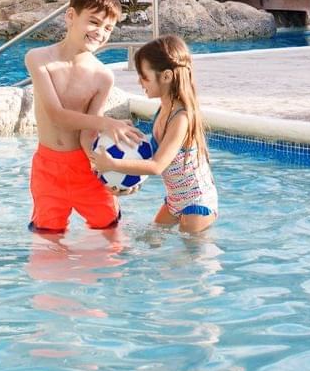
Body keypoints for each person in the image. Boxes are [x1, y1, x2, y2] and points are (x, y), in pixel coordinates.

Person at [24, 0, 143, 234]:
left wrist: (112, 172)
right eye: (94, 22)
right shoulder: (38, 58)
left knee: (110, 234)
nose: (100, 32)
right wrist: (108, 123)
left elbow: (86, 134)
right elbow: (57, 116)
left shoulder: (102, 76)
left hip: (84, 168)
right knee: (47, 239)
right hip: (48, 170)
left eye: (108, 28)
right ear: (70, 16)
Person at [93, 34, 218, 234]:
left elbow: (157, 165)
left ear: (166, 76)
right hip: (174, 200)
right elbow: (148, 158)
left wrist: (112, 164)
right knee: (149, 240)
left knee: (188, 259)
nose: (140, 81)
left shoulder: (181, 118)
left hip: (197, 202)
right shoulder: (162, 110)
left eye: (144, 76)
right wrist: (126, 183)